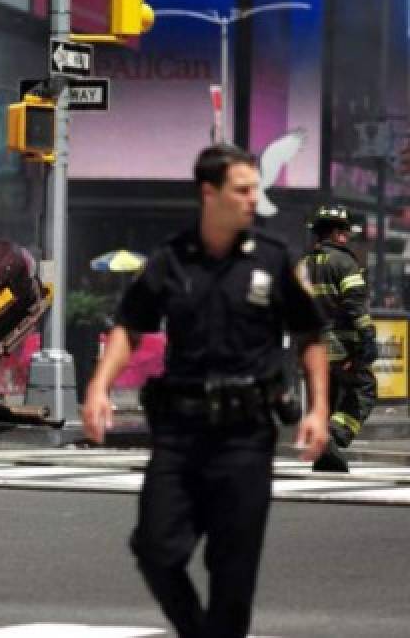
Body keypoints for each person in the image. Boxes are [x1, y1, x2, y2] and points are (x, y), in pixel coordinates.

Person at [82, 144, 330, 638]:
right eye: (242, 190)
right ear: (208, 193)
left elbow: (310, 334)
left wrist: (318, 409)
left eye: (255, 189)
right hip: (181, 434)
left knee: (232, 575)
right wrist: (98, 388)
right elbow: (131, 324)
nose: (252, 199)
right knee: (155, 548)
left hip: (245, 437)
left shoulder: (273, 260)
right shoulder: (171, 260)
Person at [303, 204, 379, 472]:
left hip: (312, 348)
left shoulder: (303, 264)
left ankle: (326, 457)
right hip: (341, 344)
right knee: (363, 390)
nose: (347, 237)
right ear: (335, 233)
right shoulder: (344, 262)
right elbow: (355, 305)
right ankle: (333, 437)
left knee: (329, 396)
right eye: (345, 232)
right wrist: (367, 337)